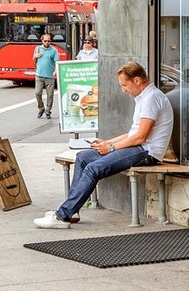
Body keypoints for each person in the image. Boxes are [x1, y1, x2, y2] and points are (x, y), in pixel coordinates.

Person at [35, 62, 174, 228]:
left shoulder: (152, 98)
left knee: (94, 169)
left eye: (124, 85)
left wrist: (112, 148)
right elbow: (132, 133)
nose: (123, 90)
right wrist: (107, 142)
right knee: (83, 157)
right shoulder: (143, 97)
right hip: (138, 147)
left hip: (147, 152)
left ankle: (62, 216)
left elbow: (140, 137)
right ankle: (72, 210)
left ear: (137, 80)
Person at [33, 33, 59, 120]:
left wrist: (55, 71)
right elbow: (34, 59)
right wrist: (35, 56)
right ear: (42, 41)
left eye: (48, 41)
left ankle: (48, 111)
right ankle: (41, 108)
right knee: (37, 93)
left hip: (49, 76)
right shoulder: (38, 49)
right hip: (39, 75)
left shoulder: (54, 50)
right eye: (45, 41)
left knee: (50, 95)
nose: (47, 42)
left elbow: (56, 62)